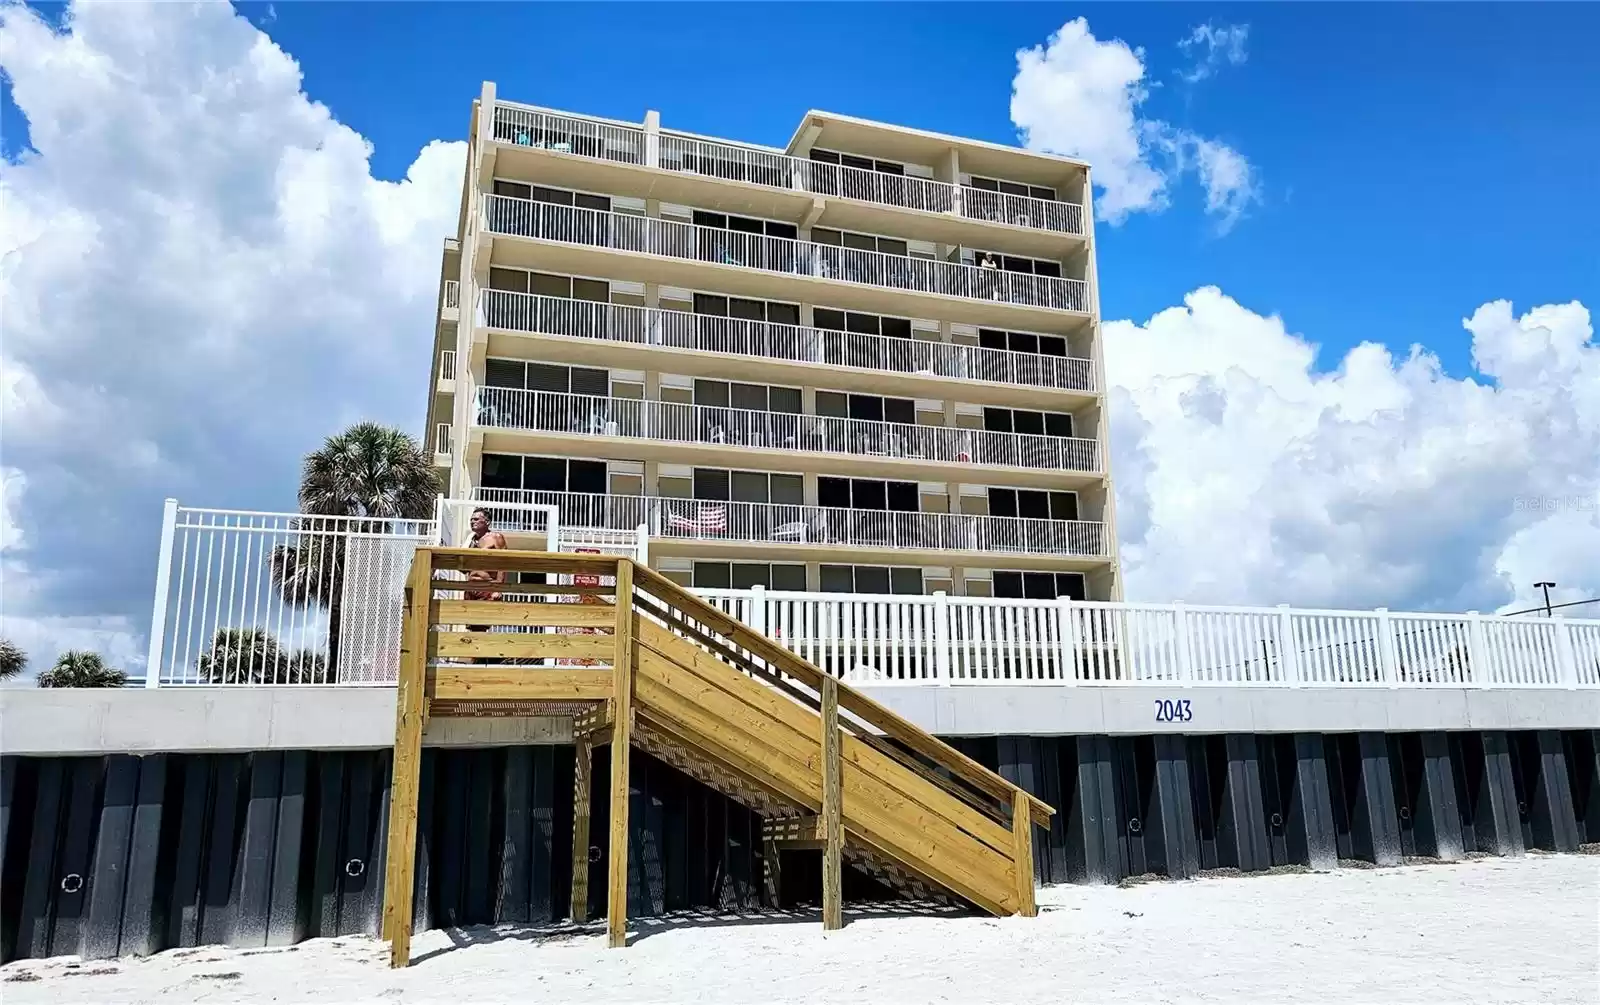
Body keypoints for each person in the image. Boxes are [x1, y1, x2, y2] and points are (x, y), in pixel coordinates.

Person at [464, 508, 508, 633]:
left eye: (476, 519)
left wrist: (498, 589)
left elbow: (504, 563)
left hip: (487, 586)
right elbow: (463, 567)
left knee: (481, 626)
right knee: (470, 626)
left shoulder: (495, 537)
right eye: (471, 519)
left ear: (487, 522)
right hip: (470, 586)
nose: (472, 522)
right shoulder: (471, 541)